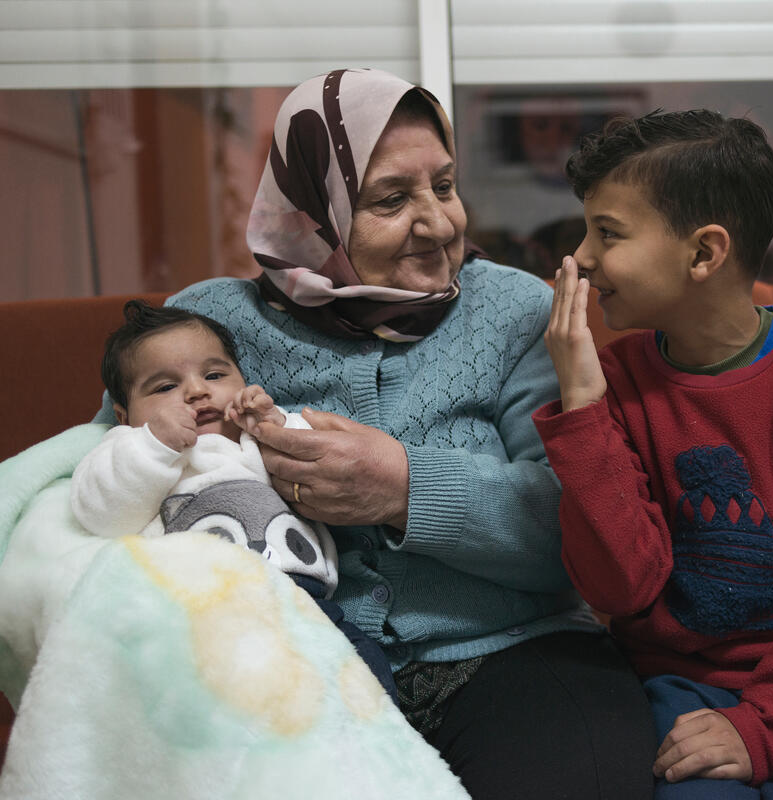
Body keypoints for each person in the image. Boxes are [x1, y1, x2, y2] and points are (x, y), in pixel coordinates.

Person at [95, 68, 655, 800]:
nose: (441, 222)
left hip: (514, 650)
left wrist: (402, 486)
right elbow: (101, 487)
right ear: (312, 211)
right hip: (284, 661)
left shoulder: (517, 309)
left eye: (445, 186)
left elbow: (578, 535)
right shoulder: (206, 325)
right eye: (392, 199)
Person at [532, 109, 773, 799]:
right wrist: (583, 408)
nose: (583, 258)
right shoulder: (612, 382)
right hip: (677, 685)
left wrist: (764, 722)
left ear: (705, 253)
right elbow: (620, 589)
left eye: (609, 233)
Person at [74, 299, 399, 702]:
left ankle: (370, 752)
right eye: (165, 387)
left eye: (214, 374)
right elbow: (101, 512)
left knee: (366, 673)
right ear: (124, 416)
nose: (196, 391)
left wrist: (274, 424)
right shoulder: (130, 449)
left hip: (303, 603)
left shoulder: (253, 436)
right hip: (198, 616)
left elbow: (318, 460)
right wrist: (153, 445)